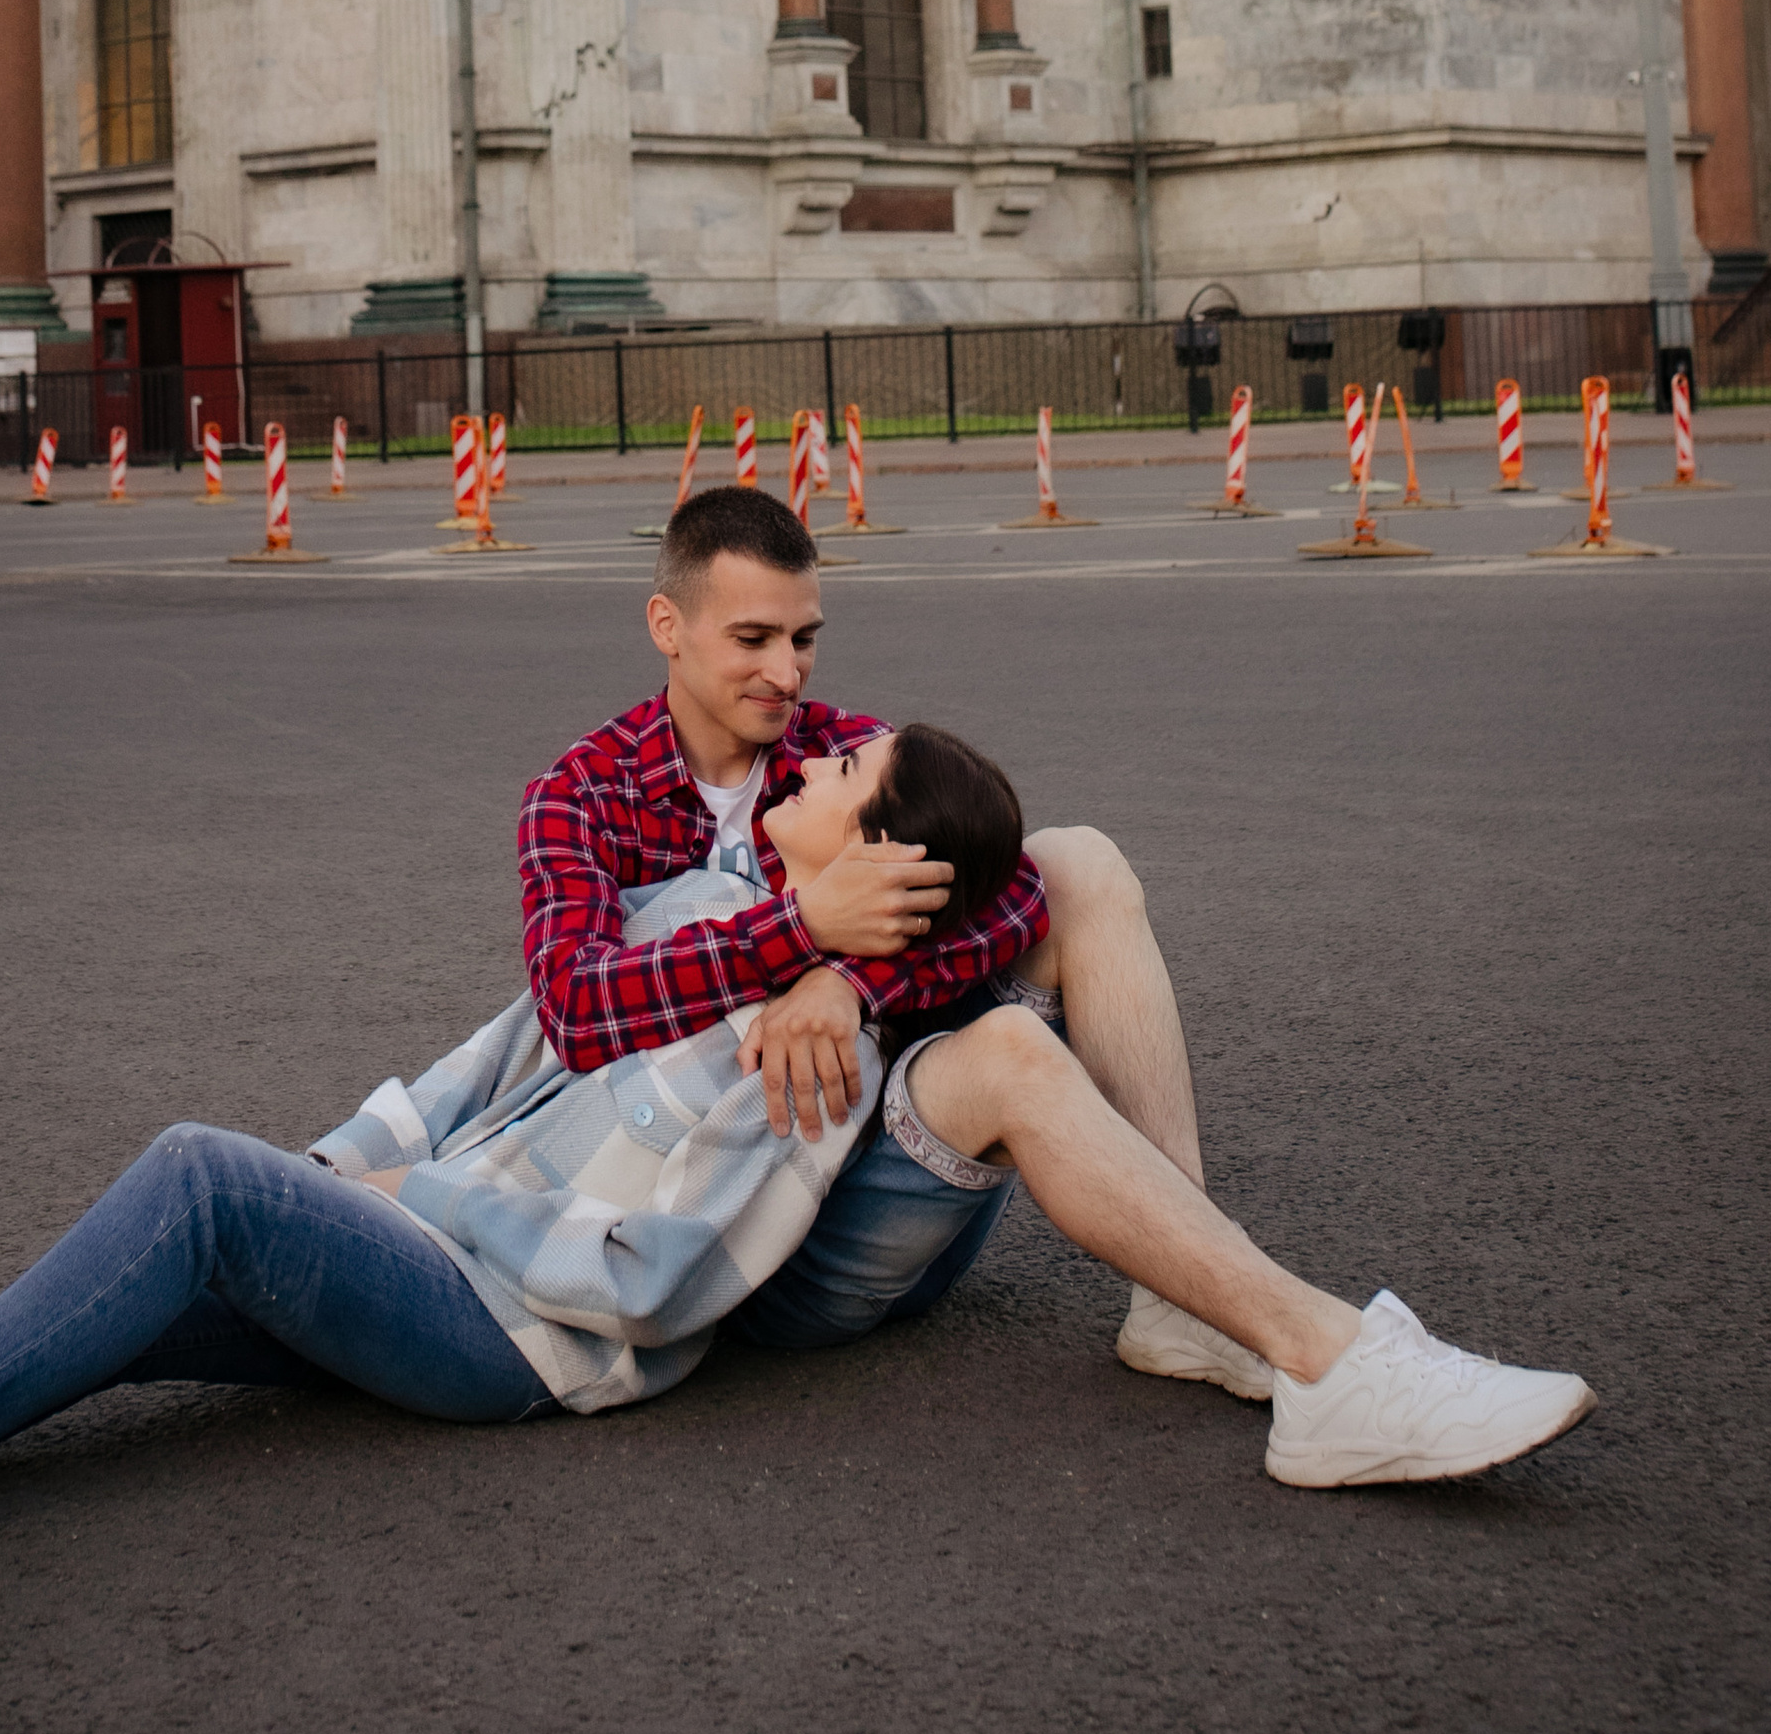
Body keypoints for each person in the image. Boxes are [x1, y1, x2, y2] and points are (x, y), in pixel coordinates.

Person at [0, 719, 1026, 1571]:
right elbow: (497, 1055)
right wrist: (342, 1170)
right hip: (421, 1244)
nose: (817, 752)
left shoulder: (812, 1062)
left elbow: (654, 1286)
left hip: (517, 1341)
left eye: (850, 773)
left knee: (196, 1177)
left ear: (887, 860)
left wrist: (408, 1200)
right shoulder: (698, 911)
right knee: (116, 1299)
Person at [522, 485, 1597, 1478]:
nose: (788, 674)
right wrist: (794, 936)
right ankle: (1309, 1348)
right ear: (668, 626)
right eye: (752, 639)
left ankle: (1187, 1307)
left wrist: (847, 983)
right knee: (1005, 1041)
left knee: (1078, 861)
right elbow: (574, 1006)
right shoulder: (585, 793)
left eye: (804, 638)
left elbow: (1013, 896)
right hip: (746, 1228)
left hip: (883, 1160)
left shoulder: (844, 749)